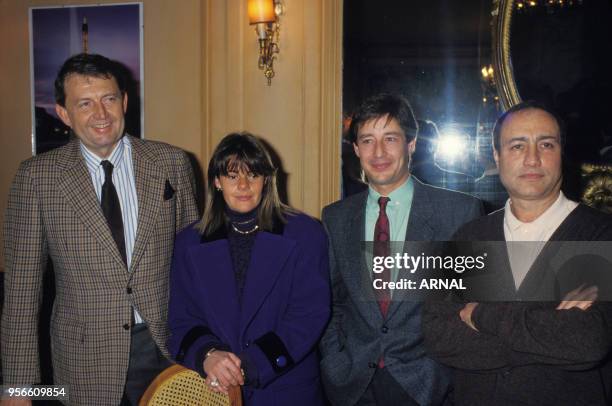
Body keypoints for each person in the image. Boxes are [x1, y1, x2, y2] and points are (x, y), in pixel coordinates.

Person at [1, 53, 199, 405]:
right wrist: (18, 390)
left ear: (124, 101)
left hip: (169, 347)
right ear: (64, 113)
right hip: (84, 361)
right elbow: (20, 293)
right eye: (85, 103)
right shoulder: (37, 179)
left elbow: (196, 268)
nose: (101, 114)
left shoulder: (172, 163)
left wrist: (207, 345)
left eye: (109, 99)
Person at [422, 101, 612, 405]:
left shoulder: (600, 235)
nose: (532, 159)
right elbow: (439, 337)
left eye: (546, 144)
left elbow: (588, 342)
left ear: (562, 153)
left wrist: (482, 315)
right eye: (517, 146)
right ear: (497, 157)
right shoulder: (469, 236)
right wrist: (548, 333)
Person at [320, 93, 483, 406]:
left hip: (428, 386)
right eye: (367, 140)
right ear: (355, 149)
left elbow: (472, 306)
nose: (378, 152)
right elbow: (332, 302)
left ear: (411, 144)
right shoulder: (335, 218)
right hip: (353, 387)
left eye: (390, 138)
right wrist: (335, 363)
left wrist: (444, 374)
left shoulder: (459, 213)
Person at [168, 132, 330, 405]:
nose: (243, 185)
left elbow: (309, 315)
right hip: (214, 390)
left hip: (286, 389)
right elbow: (181, 319)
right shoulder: (188, 242)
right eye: (232, 176)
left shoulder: (306, 234)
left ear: (266, 180)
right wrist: (209, 355)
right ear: (217, 181)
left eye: (252, 175)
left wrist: (251, 365)